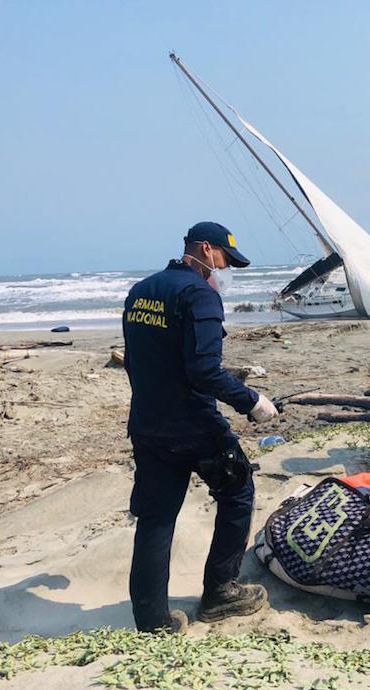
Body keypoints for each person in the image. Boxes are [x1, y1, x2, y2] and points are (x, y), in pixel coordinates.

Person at [122, 221, 279, 632]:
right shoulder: (200, 296)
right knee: (238, 488)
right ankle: (220, 593)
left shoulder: (141, 292)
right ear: (205, 250)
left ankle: (152, 619)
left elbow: (135, 363)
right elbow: (205, 372)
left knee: (156, 517)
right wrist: (252, 402)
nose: (225, 270)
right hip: (192, 424)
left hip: (147, 422)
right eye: (225, 260)